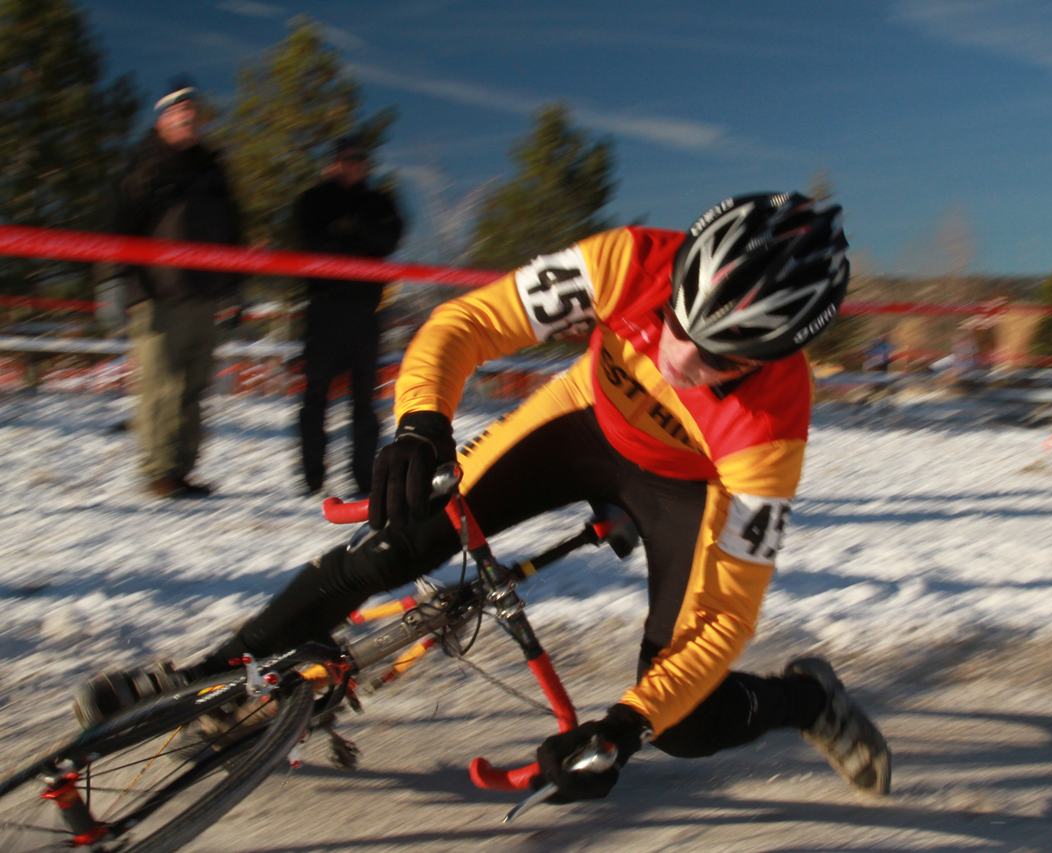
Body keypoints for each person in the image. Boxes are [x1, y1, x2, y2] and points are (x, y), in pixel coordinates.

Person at [75, 192, 891, 803]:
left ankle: (805, 696)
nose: (677, 359)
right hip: (578, 420)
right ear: (677, 271)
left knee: (685, 722)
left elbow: (724, 620)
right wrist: (421, 423)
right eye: (677, 320)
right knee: (393, 542)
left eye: (715, 358)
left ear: (779, 353)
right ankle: (211, 679)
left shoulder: (772, 428)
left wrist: (624, 726)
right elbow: (466, 324)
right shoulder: (627, 258)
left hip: (688, 487)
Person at [112, 76, 244, 498]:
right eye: (179, 112)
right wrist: (111, 282)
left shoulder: (212, 166)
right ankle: (158, 471)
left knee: (194, 386)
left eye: (194, 113)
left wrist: (235, 288)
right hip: (157, 295)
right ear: (163, 118)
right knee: (159, 387)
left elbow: (233, 230)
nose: (189, 119)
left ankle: (182, 468)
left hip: (204, 295)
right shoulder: (144, 163)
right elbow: (119, 224)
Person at [294, 137, 404, 496]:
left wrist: (351, 230)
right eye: (346, 159)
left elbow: (389, 238)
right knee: (315, 398)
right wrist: (352, 236)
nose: (353, 165)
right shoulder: (313, 200)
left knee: (365, 401)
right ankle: (312, 477)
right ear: (332, 163)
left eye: (359, 159)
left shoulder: (378, 202)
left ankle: (363, 477)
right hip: (323, 309)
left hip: (364, 312)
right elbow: (308, 239)